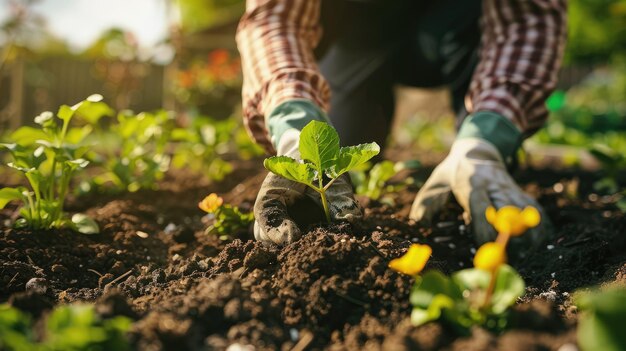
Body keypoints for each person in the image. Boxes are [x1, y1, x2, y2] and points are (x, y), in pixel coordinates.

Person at [235, 0, 567, 246]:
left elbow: (528, 19)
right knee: (336, 159)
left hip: (462, 23)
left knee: (478, 173)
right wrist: (295, 127)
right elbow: (274, 19)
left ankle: (476, 150)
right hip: (357, 32)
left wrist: (484, 141)